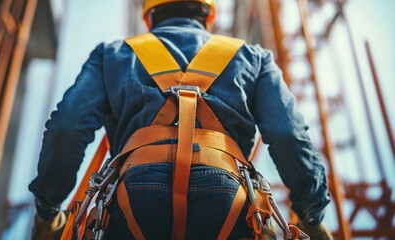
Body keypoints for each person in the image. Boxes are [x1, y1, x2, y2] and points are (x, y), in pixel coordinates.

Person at [29, 0, 332, 239]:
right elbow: (288, 134)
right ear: (208, 15)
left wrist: (48, 210)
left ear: (149, 17)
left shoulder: (113, 55)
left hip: (135, 197)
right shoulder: (253, 57)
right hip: (227, 199)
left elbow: (67, 128)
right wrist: (311, 215)